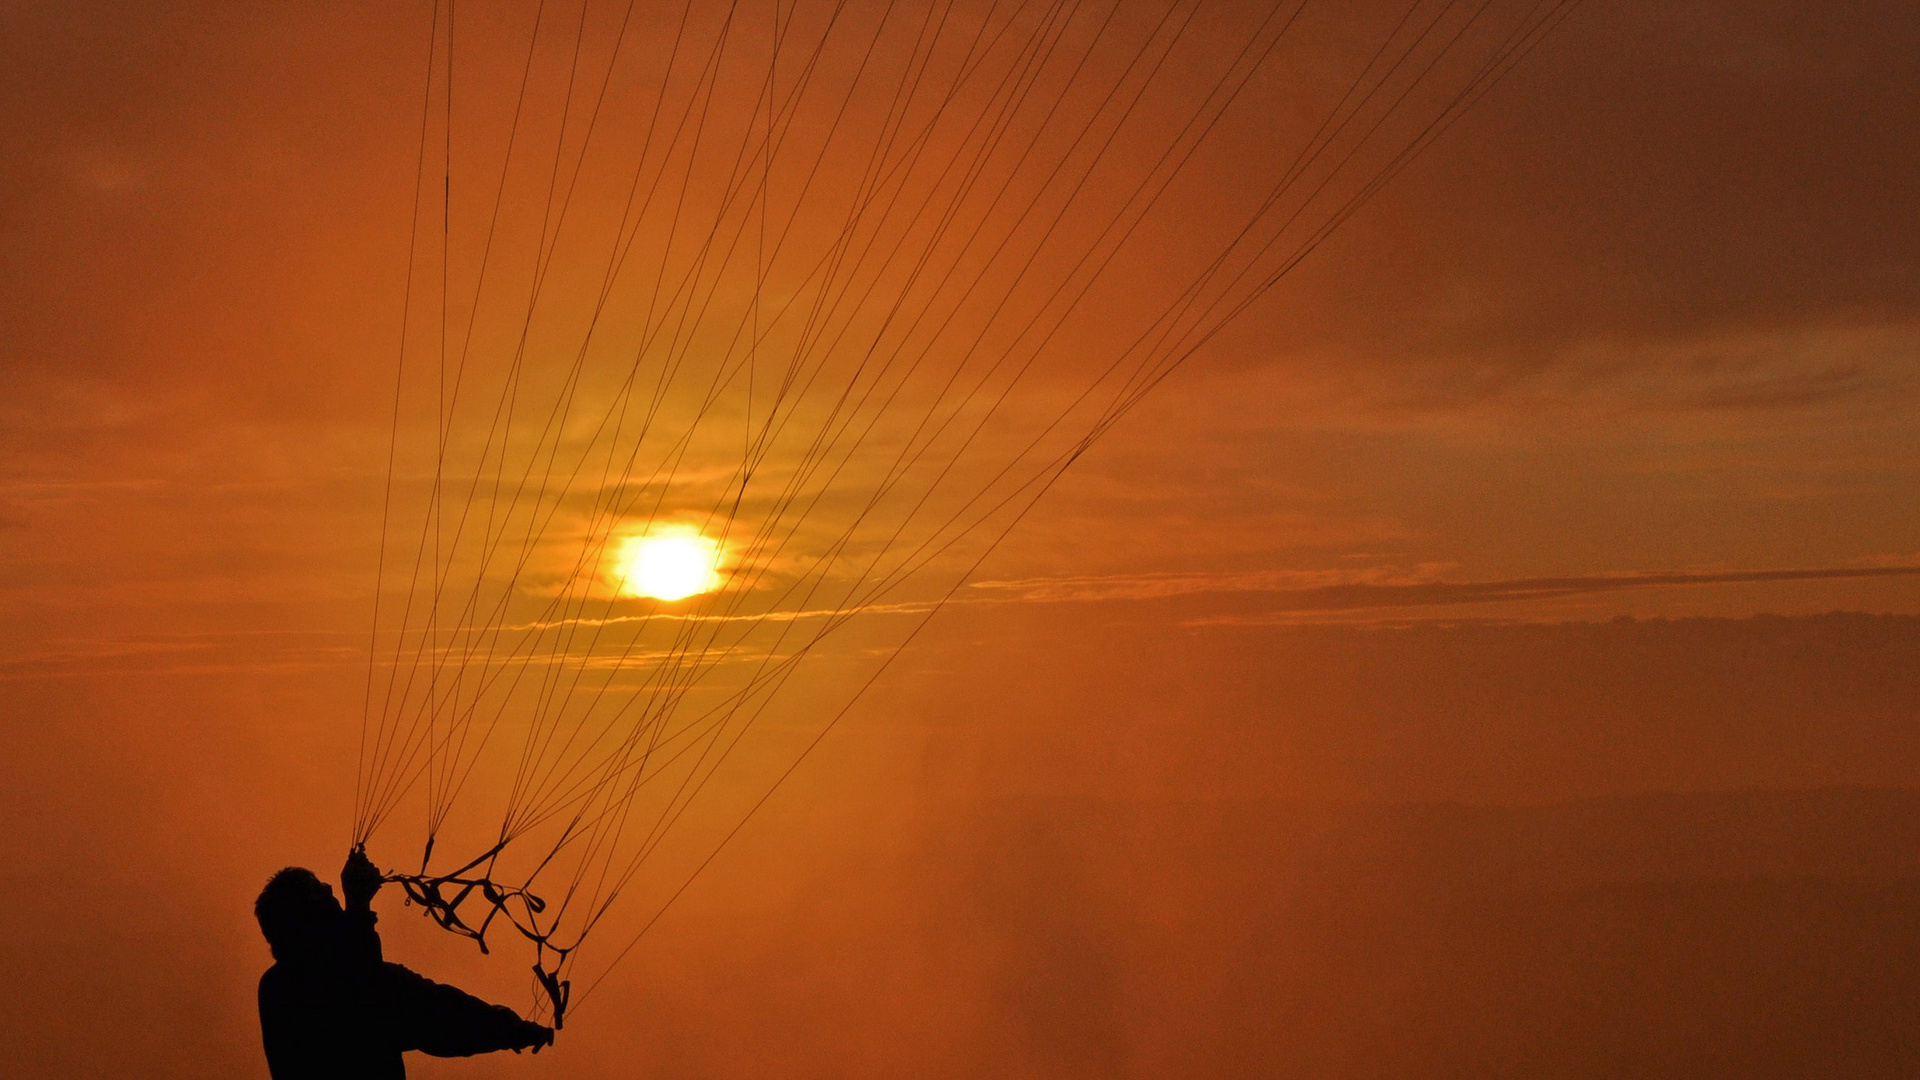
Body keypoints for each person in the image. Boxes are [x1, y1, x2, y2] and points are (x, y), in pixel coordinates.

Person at [254, 848, 554, 1079]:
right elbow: (360, 995)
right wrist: (358, 908)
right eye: (319, 891)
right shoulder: (286, 991)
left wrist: (510, 1029)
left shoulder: (278, 990)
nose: (331, 890)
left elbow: (438, 1012)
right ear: (303, 918)